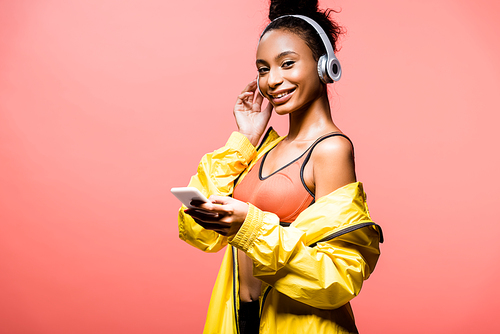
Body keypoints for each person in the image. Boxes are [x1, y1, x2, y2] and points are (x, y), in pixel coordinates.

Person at [177, 0, 383, 333]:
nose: (273, 80)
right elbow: (197, 234)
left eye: (287, 64)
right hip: (240, 320)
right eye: (263, 69)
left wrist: (251, 227)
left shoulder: (330, 150)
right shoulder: (265, 148)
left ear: (324, 66)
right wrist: (245, 138)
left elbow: (340, 275)